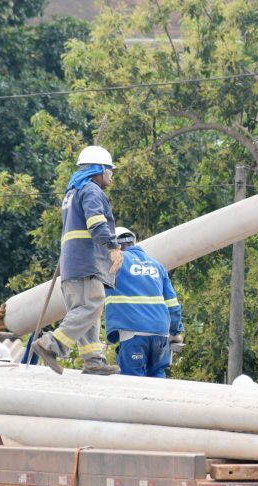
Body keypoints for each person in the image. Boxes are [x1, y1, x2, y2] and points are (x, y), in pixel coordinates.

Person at [30, 145, 123, 376]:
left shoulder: (72, 193)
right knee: (92, 305)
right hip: (86, 262)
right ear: (98, 170)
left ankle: (93, 360)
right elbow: (96, 224)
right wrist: (113, 247)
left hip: (71, 265)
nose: (111, 175)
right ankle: (49, 344)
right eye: (109, 170)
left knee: (84, 311)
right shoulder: (91, 191)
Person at [104, 227, 183, 377]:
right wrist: (175, 331)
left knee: (133, 383)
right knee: (157, 377)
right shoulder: (157, 266)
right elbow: (173, 305)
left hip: (133, 333)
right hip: (161, 334)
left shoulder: (114, 262)